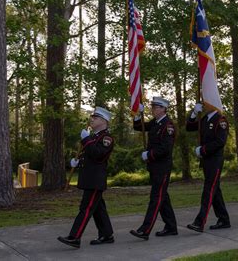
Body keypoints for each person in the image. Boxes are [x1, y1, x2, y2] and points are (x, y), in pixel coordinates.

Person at [57, 107, 115, 248]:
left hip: (95, 180)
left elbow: (98, 155)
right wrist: (78, 162)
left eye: (95, 118)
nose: (92, 120)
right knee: (98, 208)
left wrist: (86, 140)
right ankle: (107, 235)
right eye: (92, 117)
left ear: (103, 121)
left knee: (86, 208)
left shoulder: (106, 138)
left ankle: (74, 237)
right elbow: (89, 156)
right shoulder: (94, 137)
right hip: (90, 179)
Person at [129, 97, 178, 240]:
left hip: (162, 167)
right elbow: (139, 127)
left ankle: (145, 230)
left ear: (163, 109)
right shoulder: (155, 123)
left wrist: (149, 155)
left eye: (156, 107)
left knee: (156, 198)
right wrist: (138, 115)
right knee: (163, 197)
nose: (153, 109)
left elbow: (165, 148)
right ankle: (171, 227)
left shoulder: (168, 125)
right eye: (153, 107)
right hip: (154, 167)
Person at [186, 103, 231, 232]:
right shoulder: (205, 119)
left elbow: (220, 141)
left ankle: (199, 222)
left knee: (208, 190)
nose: (205, 104)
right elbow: (189, 127)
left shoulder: (220, 120)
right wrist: (194, 114)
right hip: (207, 161)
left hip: (215, 161)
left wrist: (203, 150)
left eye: (207, 101)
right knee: (215, 191)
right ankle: (224, 219)